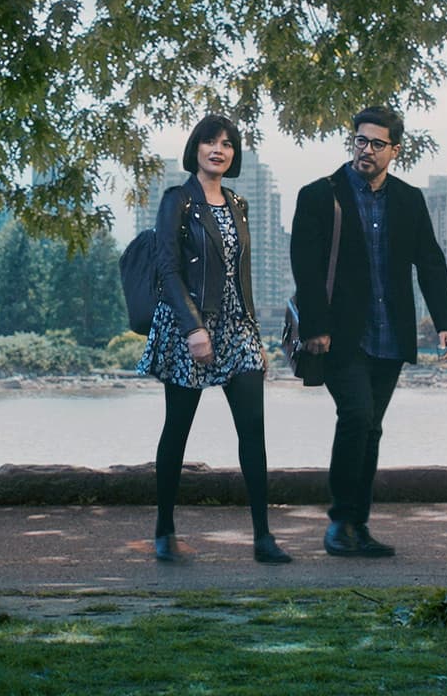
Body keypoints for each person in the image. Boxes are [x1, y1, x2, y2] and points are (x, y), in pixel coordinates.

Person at [289, 106, 447, 558]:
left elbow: (430, 261)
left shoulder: (408, 199)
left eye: (377, 144)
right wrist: (315, 326)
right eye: (360, 140)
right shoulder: (319, 195)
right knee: (357, 416)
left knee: (372, 429)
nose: (366, 150)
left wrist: (445, 322)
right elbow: (305, 265)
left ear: (395, 150)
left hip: (391, 334)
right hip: (340, 335)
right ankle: (339, 524)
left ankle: (358, 526)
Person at [137, 114, 292, 564]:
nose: (218, 150)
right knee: (178, 428)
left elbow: (241, 275)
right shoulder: (177, 200)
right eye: (210, 142)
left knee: (253, 430)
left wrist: (254, 337)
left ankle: (263, 537)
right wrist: (194, 329)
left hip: (237, 328)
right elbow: (168, 269)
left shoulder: (239, 203)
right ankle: (164, 529)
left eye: (226, 143)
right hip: (189, 326)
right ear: (196, 148)